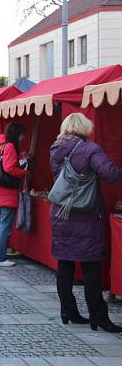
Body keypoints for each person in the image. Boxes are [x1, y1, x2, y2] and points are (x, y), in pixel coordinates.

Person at [49, 113, 122, 332]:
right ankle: (98, 316)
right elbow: (110, 174)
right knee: (91, 267)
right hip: (85, 215)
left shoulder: (55, 149)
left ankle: (68, 311)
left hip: (61, 213)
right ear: (84, 127)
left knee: (65, 265)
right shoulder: (90, 149)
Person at [0, 122, 28, 267]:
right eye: (22, 135)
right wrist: (23, 172)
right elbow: (9, 168)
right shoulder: (9, 146)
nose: (22, 138)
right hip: (6, 193)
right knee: (4, 226)